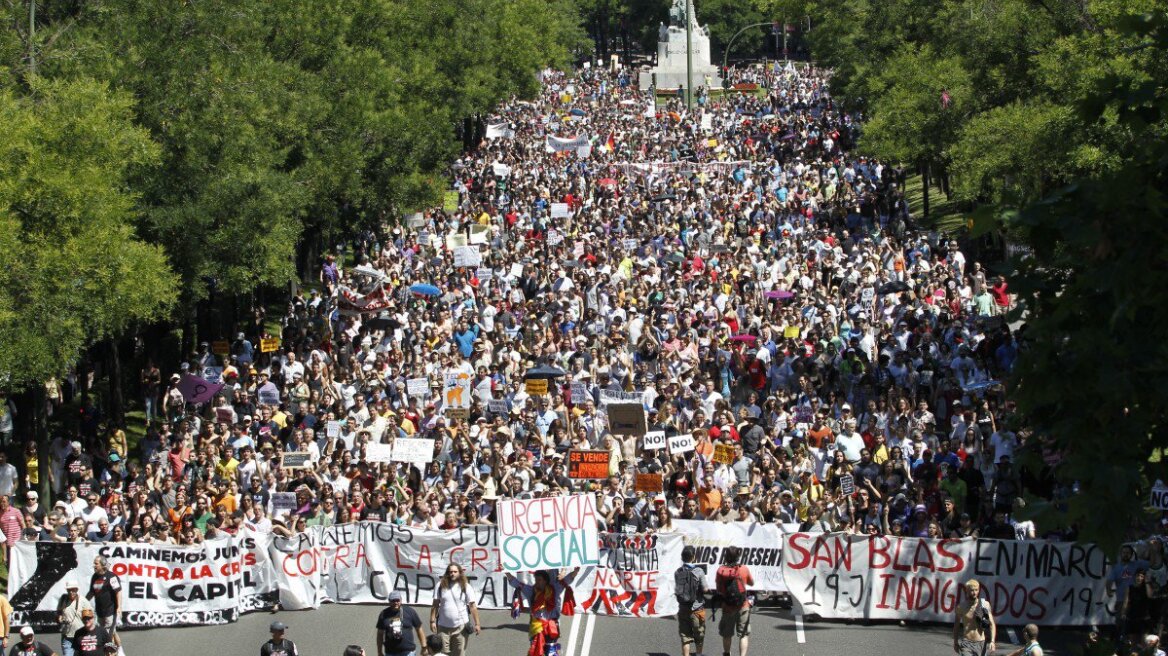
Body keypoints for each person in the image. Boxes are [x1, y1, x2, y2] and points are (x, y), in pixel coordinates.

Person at [505, 568, 580, 656]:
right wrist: (506, 572)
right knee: (536, 652)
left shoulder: (554, 589)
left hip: (550, 627)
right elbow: (516, 583)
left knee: (551, 653)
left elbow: (566, 580)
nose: (537, 582)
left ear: (545, 581)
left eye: (539, 579)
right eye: (536, 579)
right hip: (536, 627)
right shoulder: (531, 590)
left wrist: (575, 572)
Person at [429, 563, 481, 656]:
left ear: (460, 573)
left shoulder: (466, 587)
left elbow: (472, 606)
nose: (452, 574)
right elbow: (435, 605)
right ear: (447, 573)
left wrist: (477, 624)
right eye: (450, 572)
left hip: (460, 628)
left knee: (459, 653)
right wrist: (432, 621)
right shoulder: (440, 586)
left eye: (455, 572)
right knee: (443, 654)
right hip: (443, 628)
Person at [715, 545, 754, 656]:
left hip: (727, 606)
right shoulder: (744, 569)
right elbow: (751, 583)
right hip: (743, 605)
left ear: (726, 556)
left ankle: (727, 653)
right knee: (743, 634)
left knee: (727, 634)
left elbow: (719, 589)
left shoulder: (721, 570)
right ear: (738, 557)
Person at [674, 545, 707, 656]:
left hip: (683, 608)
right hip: (697, 608)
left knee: (685, 636)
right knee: (699, 635)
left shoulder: (678, 572)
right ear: (693, 557)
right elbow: (705, 588)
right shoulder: (699, 571)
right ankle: (698, 654)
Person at [952, 579, 995, 656]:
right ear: (967, 591)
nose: (974, 593)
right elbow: (956, 626)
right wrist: (955, 642)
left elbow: (991, 624)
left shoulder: (985, 604)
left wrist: (992, 641)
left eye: (976, 590)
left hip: (981, 643)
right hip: (967, 643)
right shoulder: (961, 607)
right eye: (972, 590)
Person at [376, 592, 425, 656]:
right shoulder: (384, 614)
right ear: (389, 601)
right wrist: (379, 651)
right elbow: (380, 634)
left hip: (408, 652)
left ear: (401, 600)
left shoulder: (410, 611)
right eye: (393, 600)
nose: (395, 603)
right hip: (390, 652)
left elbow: (419, 628)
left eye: (397, 600)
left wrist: (424, 646)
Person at [85, 558, 120, 647]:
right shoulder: (94, 576)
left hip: (111, 611)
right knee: (112, 632)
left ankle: (110, 652)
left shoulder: (111, 577)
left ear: (103, 565)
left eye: (96, 564)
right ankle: (119, 650)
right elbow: (91, 592)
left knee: (107, 635)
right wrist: (83, 602)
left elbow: (118, 592)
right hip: (100, 611)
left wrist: (119, 607)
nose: (94, 565)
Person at [56, 580, 91, 656]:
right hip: (67, 637)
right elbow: (59, 612)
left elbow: (90, 618)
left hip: (81, 636)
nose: (71, 592)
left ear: (77, 590)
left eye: (73, 590)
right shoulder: (63, 599)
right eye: (69, 590)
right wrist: (59, 617)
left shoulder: (84, 601)